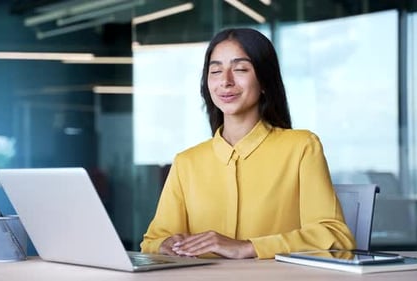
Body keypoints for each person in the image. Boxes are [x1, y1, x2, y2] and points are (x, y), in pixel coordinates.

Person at [140, 28, 355, 259]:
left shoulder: (301, 147)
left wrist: (248, 247)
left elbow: (335, 236)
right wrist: (166, 244)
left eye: (240, 69)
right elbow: (152, 241)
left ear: (264, 81)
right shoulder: (187, 162)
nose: (225, 81)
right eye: (215, 71)